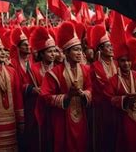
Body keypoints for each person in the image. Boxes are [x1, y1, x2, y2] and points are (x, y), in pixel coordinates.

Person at [40, 21, 92, 152]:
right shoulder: (54, 73)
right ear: (67, 53)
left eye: (80, 49)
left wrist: (83, 94)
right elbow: (45, 96)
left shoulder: (86, 70)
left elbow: (91, 89)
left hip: (82, 117)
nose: (80, 53)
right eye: (76, 50)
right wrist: (68, 96)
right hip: (62, 120)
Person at [104, 36, 136, 152]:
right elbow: (109, 99)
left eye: (128, 60)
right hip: (124, 120)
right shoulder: (112, 81)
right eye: (122, 61)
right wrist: (124, 99)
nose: (126, 63)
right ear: (117, 62)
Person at [26, 26, 57, 152]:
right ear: (42, 53)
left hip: (56, 108)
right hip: (39, 108)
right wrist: (33, 89)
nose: (53, 54)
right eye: (50, 52)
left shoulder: (59, 68)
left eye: (54, 51)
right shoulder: (33, 69)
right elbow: (24, 85)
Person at [89, 25, 117, 152]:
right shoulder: (95, 66)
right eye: (108, 46)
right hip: (102, 107)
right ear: (100, 49)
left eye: (112, 45)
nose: (111, 48)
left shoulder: (117, 63)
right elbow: (103, 87)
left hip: (117, 106)